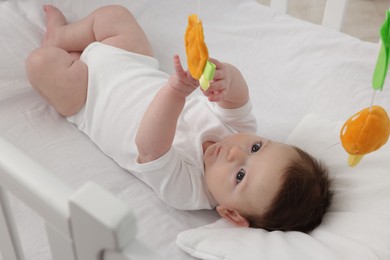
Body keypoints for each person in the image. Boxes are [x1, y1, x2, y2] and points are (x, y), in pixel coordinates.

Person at [26, 5, 332, 232]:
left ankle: (60, 50)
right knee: (115, 17)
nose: (236, 151)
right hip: (132, 64)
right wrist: (226, 76)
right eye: (257, 148)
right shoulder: (237, 130)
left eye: (239, 176)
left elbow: (149, 145)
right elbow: (238, 98)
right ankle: (64, 34)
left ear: (231, 214)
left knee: (39, 64)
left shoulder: (188, 190)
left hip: (89, 97)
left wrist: (175, 92)